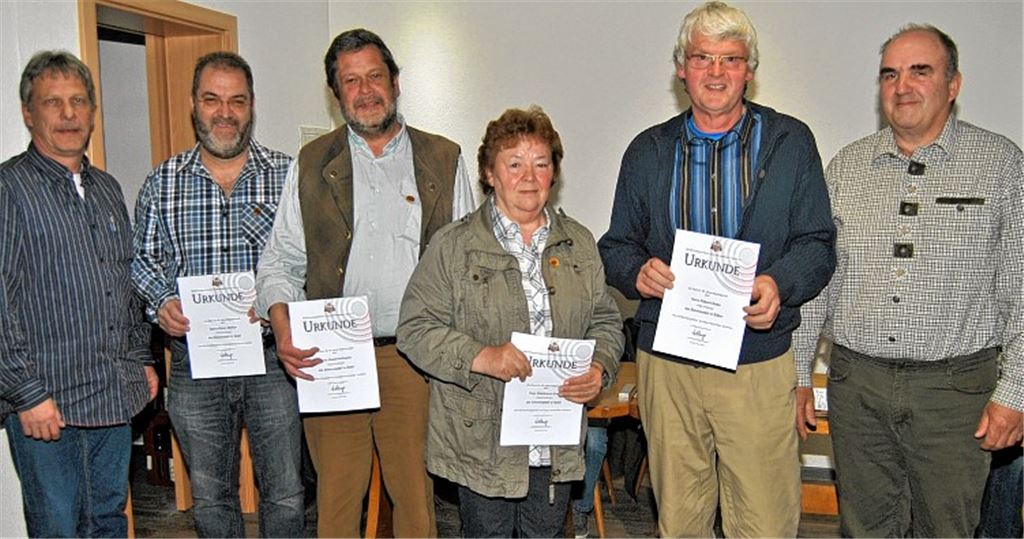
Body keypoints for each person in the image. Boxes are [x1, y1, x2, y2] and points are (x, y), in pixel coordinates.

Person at [598, 2, 836, 536]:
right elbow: (614, 247)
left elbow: (818, 244)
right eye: (702, 57)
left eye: (730, 59)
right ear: (681, 68)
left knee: (765, 521)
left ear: (750, 69)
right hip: (671, 366)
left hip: (756, 364)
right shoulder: (648, 151)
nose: (715, 71)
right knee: (680, 520)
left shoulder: (790, 143)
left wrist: (780, 283)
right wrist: (638, 272)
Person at [794, 24, 1023, 537]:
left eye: (921, 71)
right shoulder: (847, 167)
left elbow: (1023, 290)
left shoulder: (1000, 165)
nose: (903, 86)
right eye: (890, 74)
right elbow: (819, 283)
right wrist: (798, 375)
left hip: (955, 394)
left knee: (947, 527)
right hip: (858, 388)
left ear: (954, 84)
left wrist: (1017, 392)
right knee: (864, 527)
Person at [255, 28, 475, 538]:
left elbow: (468, 262)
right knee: (335, 500)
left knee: (417, 503)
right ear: (336, 96)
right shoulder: (311, 164)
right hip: (331, 357)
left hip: (414, 357)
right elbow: (280, 261)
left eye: (375, 76)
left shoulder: (444, 157)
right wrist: (282, 326)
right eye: (350, 81)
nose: (365, 90)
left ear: (396, 83)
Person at [397, 106, 623, 538]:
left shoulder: (578, 243)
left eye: (541, 164)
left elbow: (605, 320)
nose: (529, 176)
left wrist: (599, 368)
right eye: (514, 164)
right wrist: (481, 356)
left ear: (554, 173)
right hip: (483, 437)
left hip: (554, 435)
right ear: (489, 173)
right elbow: (415, 327)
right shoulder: (453, 245)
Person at [132, 52, 304, 537]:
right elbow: (142, 261)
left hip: (274, 363)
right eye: (212, 99)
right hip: (194, 363)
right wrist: (160, 301)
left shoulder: (289, 176)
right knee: (210, 498)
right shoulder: (162, 182)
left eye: (237, 101)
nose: (224, 112)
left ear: (252, 106)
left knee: (287, 494)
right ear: (193, 104)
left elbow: (310, 259)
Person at [0, 50, 158, 537]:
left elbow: (126, 284)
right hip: (48, 406)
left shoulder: (109, 189)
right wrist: (27, 394)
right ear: (29, 112)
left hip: (114, 395)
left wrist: (141, 360)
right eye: (53, 102)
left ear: (92, 111)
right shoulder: (9, 188)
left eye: (78, 101)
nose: (68, 114)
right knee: (58, 527)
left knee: (109, 520)